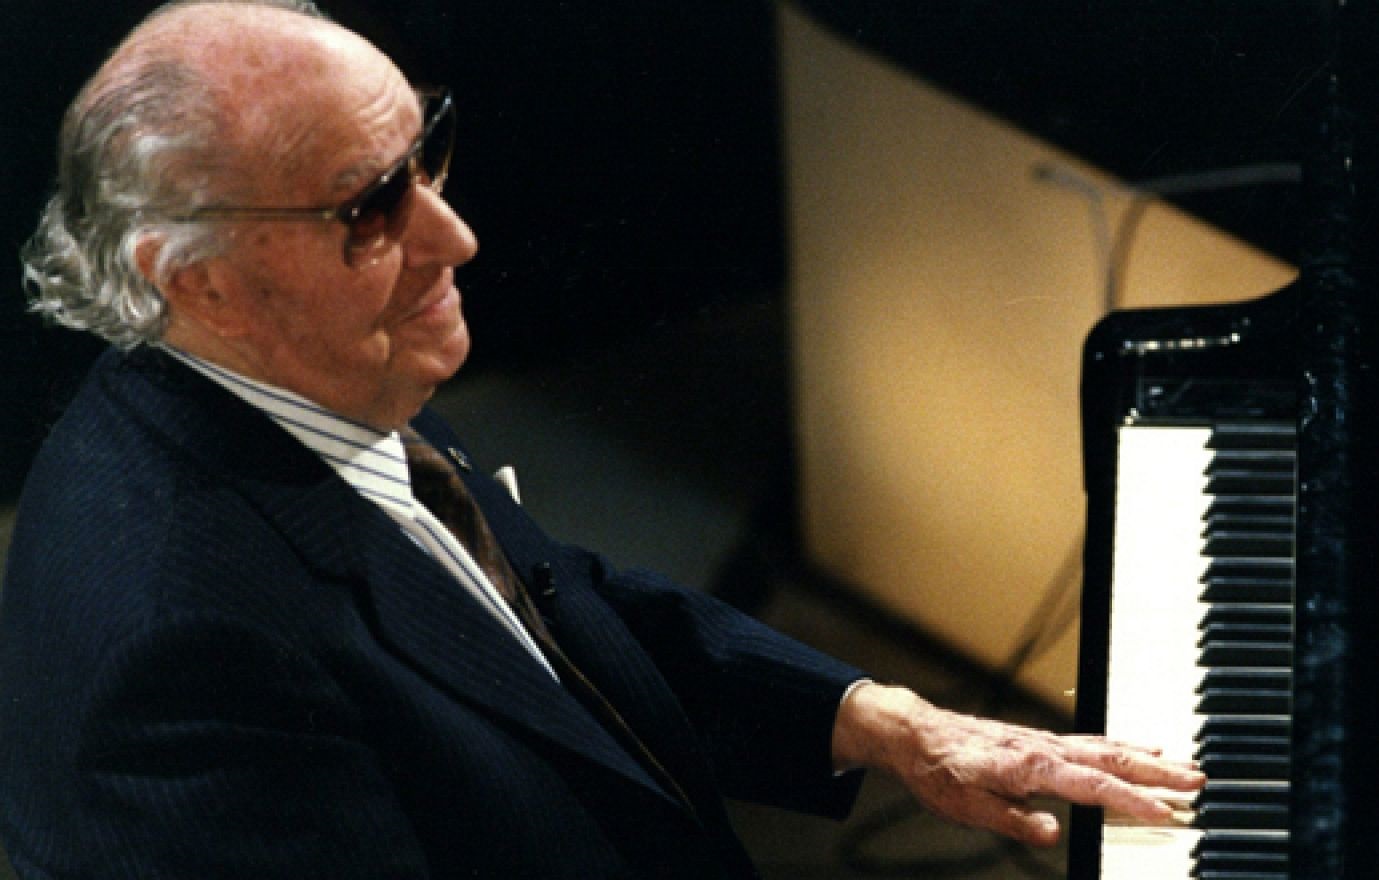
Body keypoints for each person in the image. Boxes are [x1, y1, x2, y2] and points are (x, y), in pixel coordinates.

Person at [0, 1, 1203, 876]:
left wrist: (888, 724)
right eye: (370, 209)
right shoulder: (175, 658)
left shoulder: (306, 369)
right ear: (197, 281)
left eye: (424, 156)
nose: (453, 237)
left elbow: (544, 617)